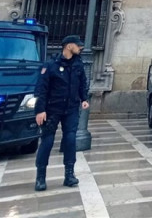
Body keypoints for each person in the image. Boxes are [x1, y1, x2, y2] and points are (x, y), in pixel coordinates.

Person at [33, 34, 89, 191]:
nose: (81, 48)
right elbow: (41, 89)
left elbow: (82, 83)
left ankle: (69, 175)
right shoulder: (51, 65)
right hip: (52, 109)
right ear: (69, 46)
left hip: (71, 108)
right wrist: (40, 110)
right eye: (78, 46)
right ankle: (41, 177)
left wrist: (84, 98)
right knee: (47, 141)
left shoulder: (78, 64)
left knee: (70, 140)